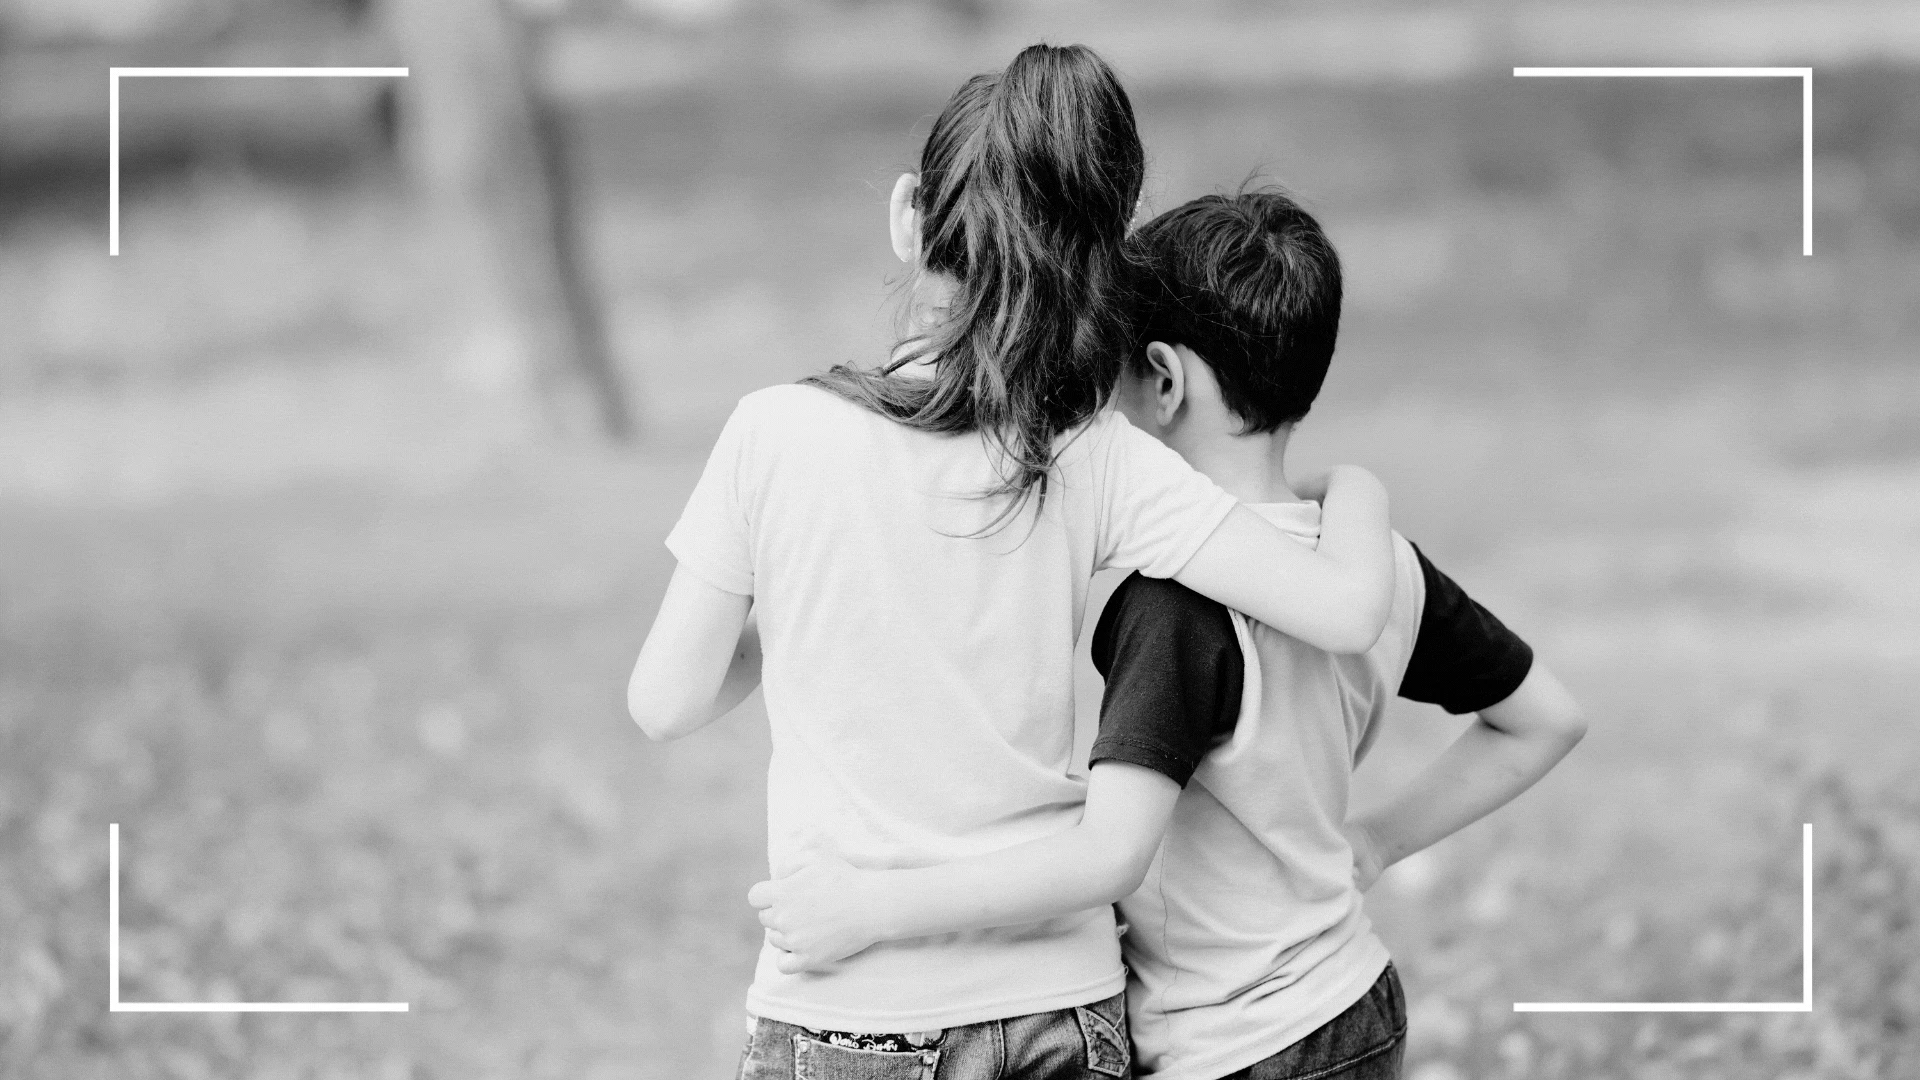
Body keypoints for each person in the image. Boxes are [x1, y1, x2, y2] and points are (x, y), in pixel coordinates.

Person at [627, 49, 1398, 1080]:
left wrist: (812, 604)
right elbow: (1348, 609)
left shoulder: (774, 433)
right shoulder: (1100, 456)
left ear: (910, 216)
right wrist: (1356, 487)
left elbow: (666, 700)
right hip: (1059, 1009)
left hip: (853, 1007)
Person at [750, 190, 1588, 1080]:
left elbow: (1104, 859)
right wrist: (1371, 844)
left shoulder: (1176, 607)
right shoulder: (1379, 564)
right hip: (1357, 1001)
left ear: (1161, 378)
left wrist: (867, 909)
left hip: (1228, 1046)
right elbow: (1546, 718)